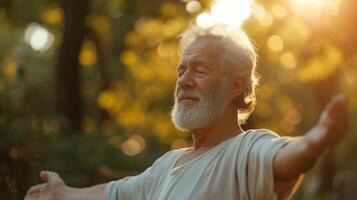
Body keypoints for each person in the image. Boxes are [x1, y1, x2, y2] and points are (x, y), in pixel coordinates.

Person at [24, 24, 349, 200]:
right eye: (181, 71)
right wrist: (64, 193)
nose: (184, 81)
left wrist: (316, 140)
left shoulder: (245, 151)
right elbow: (116, 193)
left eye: (199, 70)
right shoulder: (166, 166)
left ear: (235, 86)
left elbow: (286, 156)